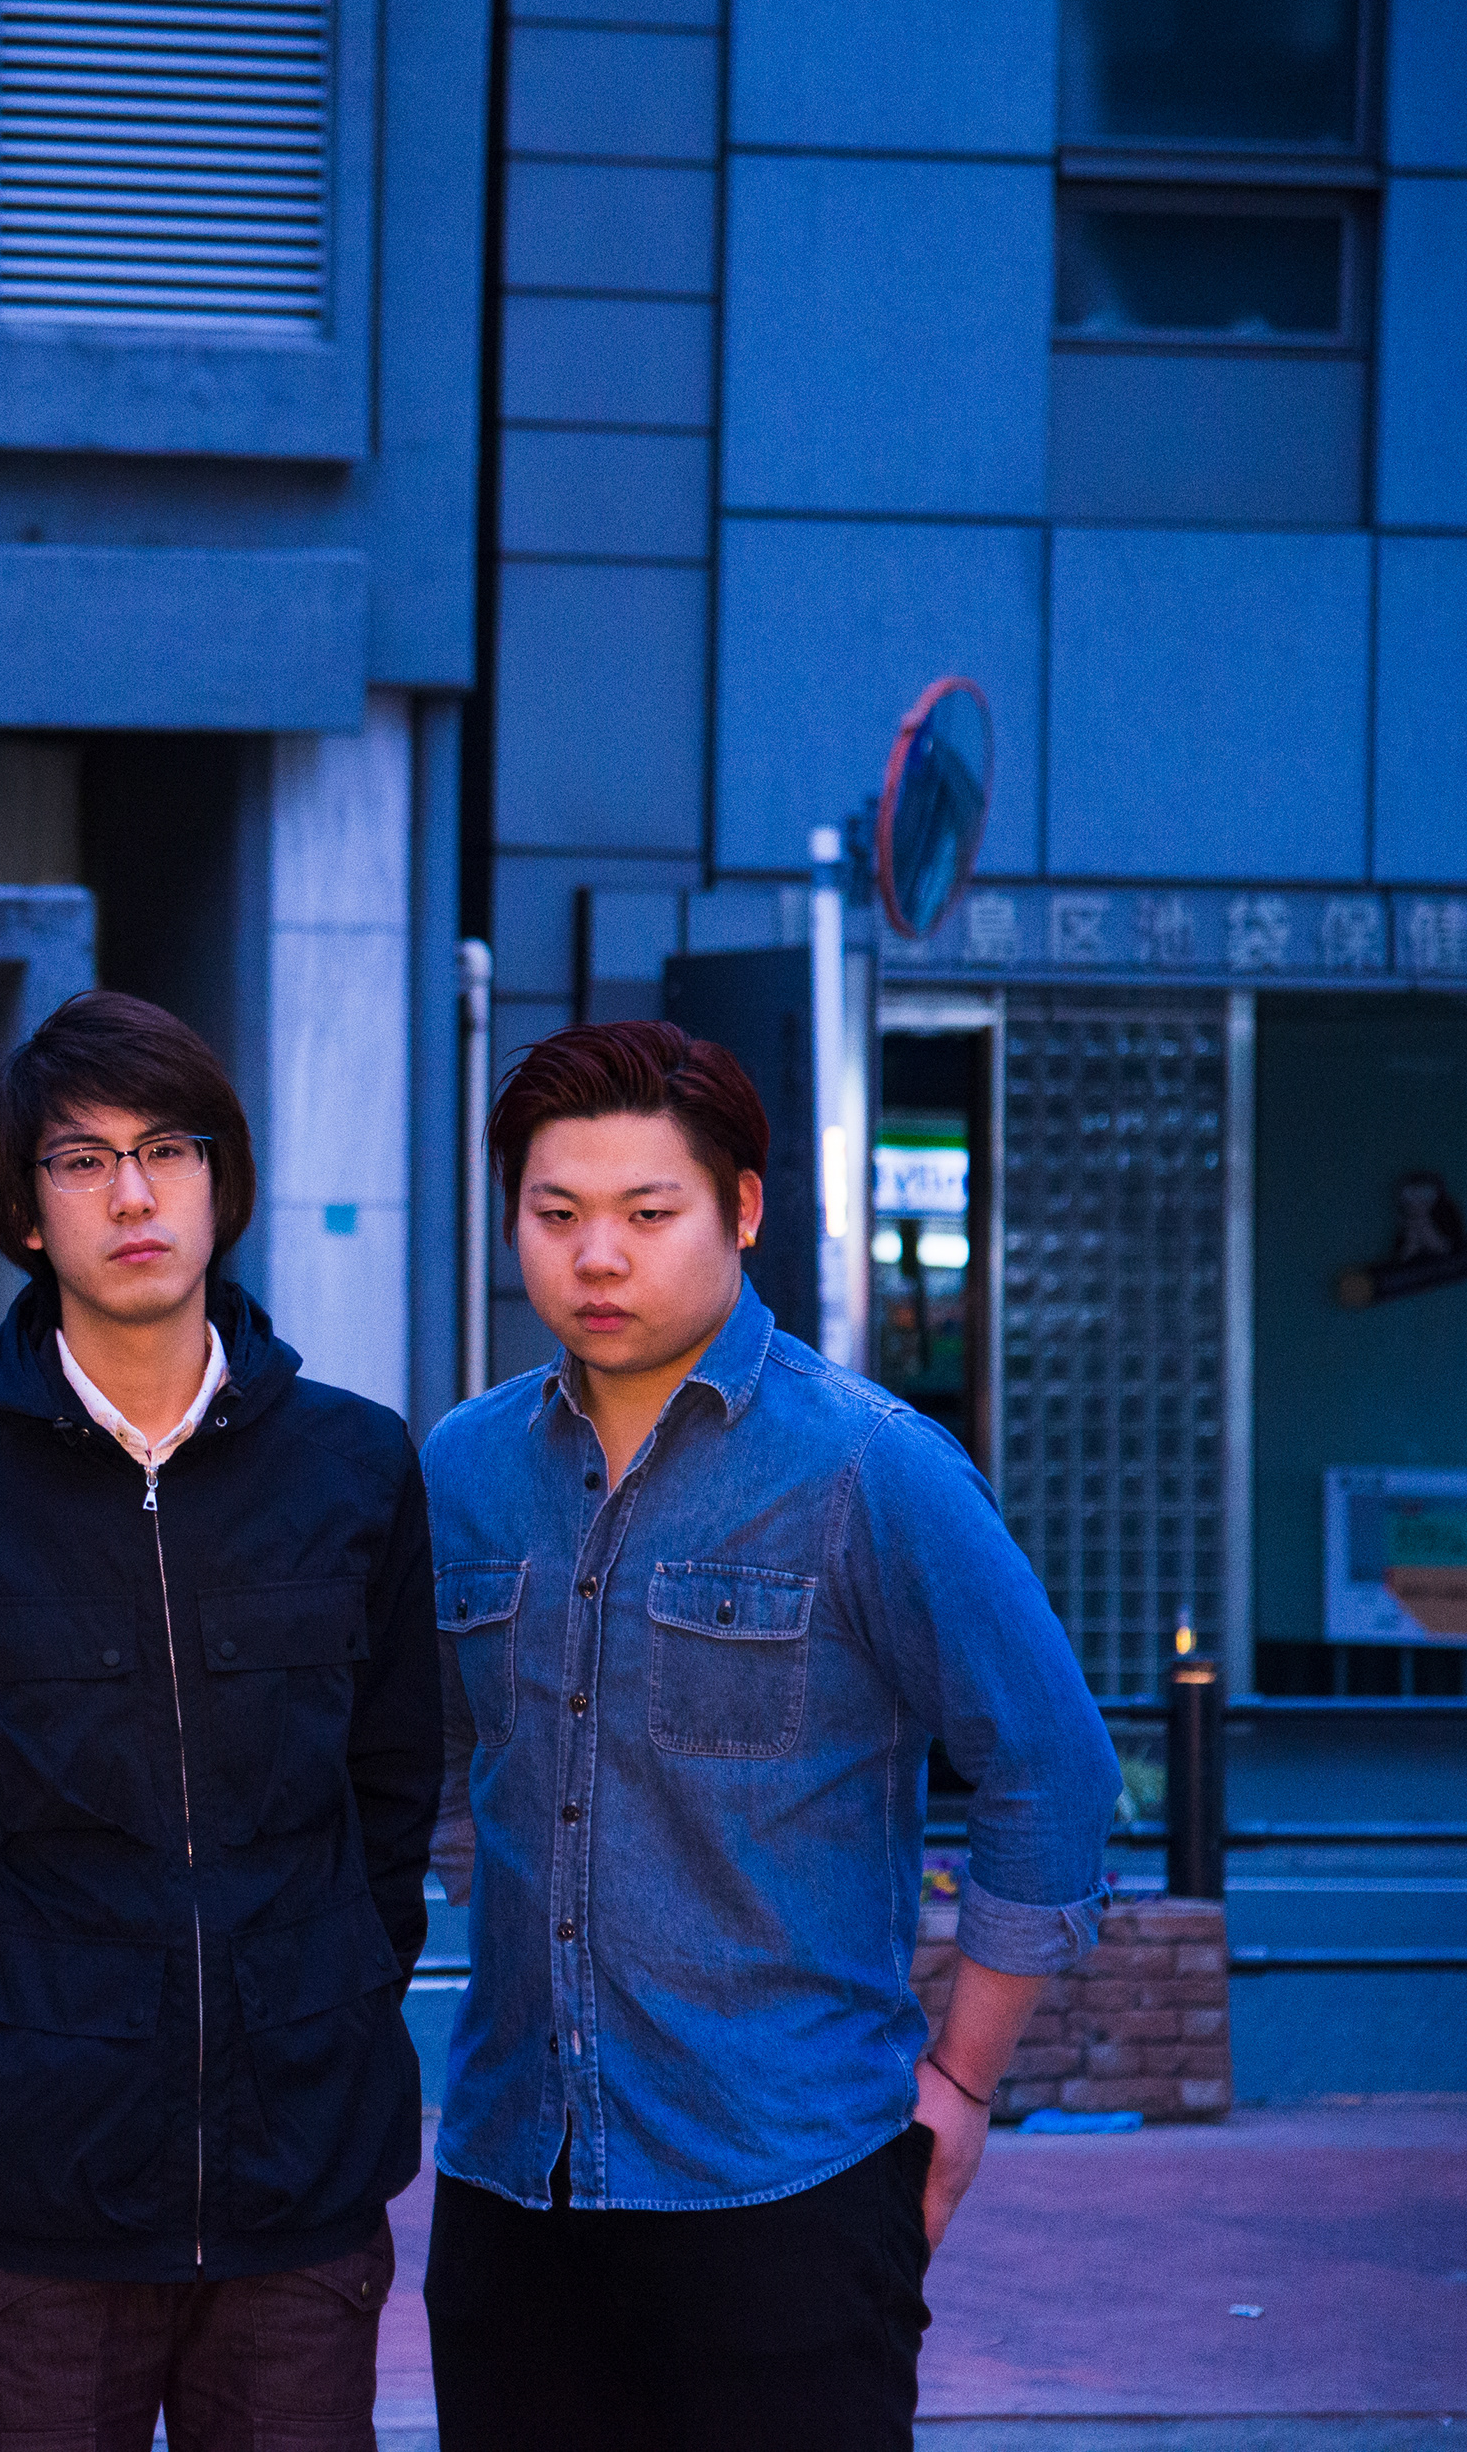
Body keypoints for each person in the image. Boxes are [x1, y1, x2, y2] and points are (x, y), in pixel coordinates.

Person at [417, 1020, 1118, 2451]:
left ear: (741, 1209)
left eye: (646, 1213)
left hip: (786, 2186)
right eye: (556, 1215)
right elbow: (426, 1751)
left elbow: (1052, 1771)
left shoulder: (869, 1466)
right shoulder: (464, 1467)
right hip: (511, 2183)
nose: (596, 1258)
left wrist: (963, 2085)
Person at [0, 989, 444, 2452]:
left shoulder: (354, 1465)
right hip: (26, 2204)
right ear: (26, 1212)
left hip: (298, 2194)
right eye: (82, 1161)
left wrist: (339, 2000)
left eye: (168, 1150)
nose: (134, 1195)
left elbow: (395, 1785)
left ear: (223, 1181)